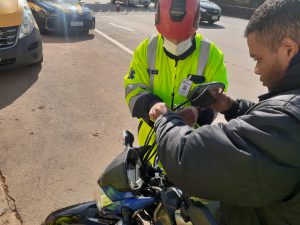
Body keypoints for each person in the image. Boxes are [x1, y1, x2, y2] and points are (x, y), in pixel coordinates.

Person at [153, 0, 300, 224]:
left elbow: (189, 159)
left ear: (288, 49)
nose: (256, 69)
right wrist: (233, 108)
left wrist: (166, 119)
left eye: (258, 59)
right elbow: (273, 124)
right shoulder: (290, 111)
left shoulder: (290, 122)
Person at [124, 0, 228, 162]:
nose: (175, 43)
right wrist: (151, 105)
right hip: (151, 140)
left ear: (196, 23)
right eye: (168, 38)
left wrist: (197, 112)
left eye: (183, 39)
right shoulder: (147, 48)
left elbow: (218, 97)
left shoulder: (211, 54)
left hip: (190, 144)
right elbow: (133, 89)